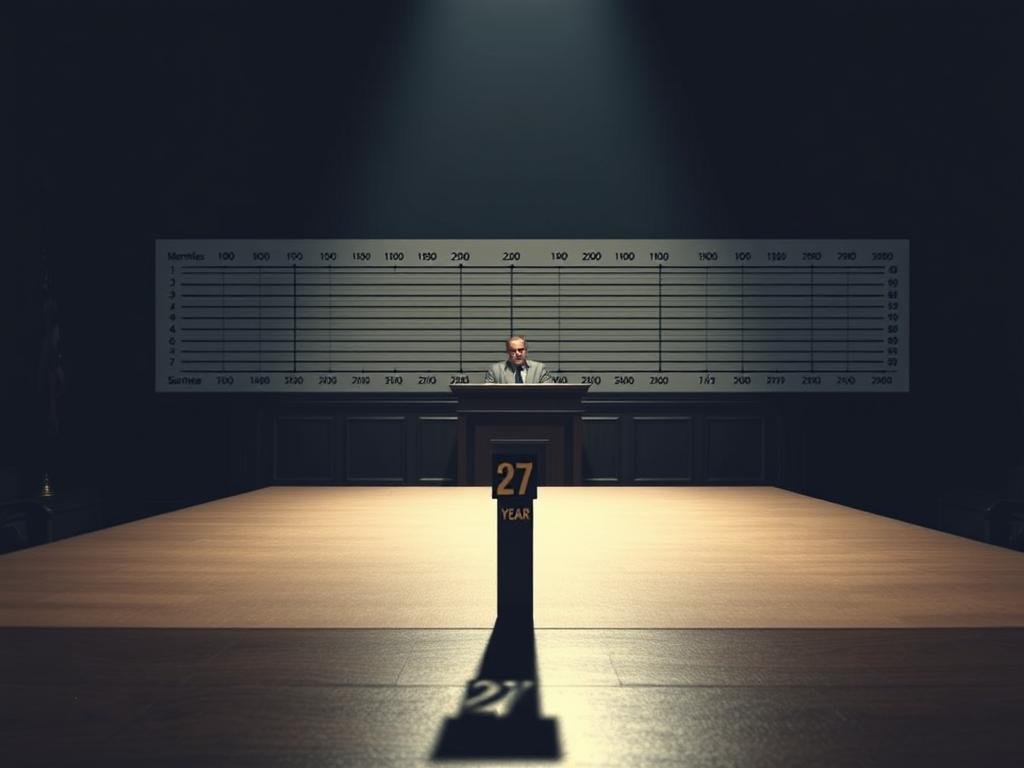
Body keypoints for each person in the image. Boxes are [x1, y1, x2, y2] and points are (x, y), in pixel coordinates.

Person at [484, 335, 552, 384]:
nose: (518, 354)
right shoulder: (495, 370)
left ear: (526, 350)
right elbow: (488, 397)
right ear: (508, 352)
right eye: (513, 351)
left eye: (521, 350)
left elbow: (549, 393)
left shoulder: (539, 369)